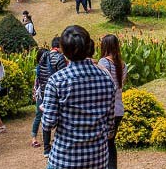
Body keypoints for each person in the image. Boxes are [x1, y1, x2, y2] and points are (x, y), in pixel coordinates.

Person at [42, 25, 116, 169]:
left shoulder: (57, 80)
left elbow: (48, 124)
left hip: (65, 158)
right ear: (89, 46)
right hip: (98, 158)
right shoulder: (107, 78)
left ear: (63, 50)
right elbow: (110, 125)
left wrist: (46, 109)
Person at [98, 35, 127, 169]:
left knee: (105, 144)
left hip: (107, 109)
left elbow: (102, 85)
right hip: (119, 108)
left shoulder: (104, 62)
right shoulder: (122, 64)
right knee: (111, 143)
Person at [38, 37, 68, 157]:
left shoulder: (43, 56)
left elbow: (39, 73)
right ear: (59, 46)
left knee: (46, 117)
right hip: (56, 90)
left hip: (45, 90)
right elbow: (63, 76)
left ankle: (46, 148)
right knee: (60, 117)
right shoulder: (59, 57)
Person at [31, 48, 49, 149]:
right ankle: (34, 138)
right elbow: (36, 83)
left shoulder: (47, 67)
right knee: (39, 115)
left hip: (43, 94)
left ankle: (39, 138)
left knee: (42, 116)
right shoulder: (39, 68)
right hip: (41, 94)